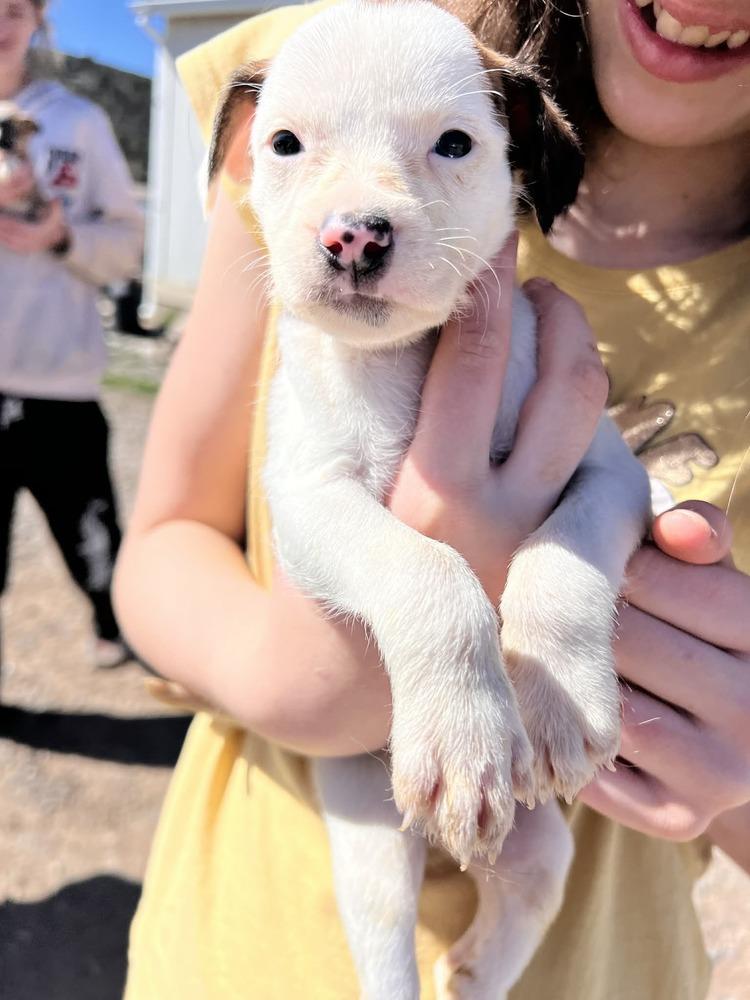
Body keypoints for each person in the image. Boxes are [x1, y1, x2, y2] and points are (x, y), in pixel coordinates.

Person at [116, 0, 750, 997]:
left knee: (539, 863)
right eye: (287, 146)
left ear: (522, 156)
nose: (354, 224)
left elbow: (609, 485)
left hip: (604, 957)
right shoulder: (327, 52)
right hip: (242, 937)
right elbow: (187, 532)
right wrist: (347, 666)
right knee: (370, 845)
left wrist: (570, 602)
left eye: (450, 145)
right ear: (240, 155)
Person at [0, 0, 143, 678]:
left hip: (59, 381)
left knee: (95, 547)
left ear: (37, 21)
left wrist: (60, 236)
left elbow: (127, 248)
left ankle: (115, 625)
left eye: (12, 9)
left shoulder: (78, 123)